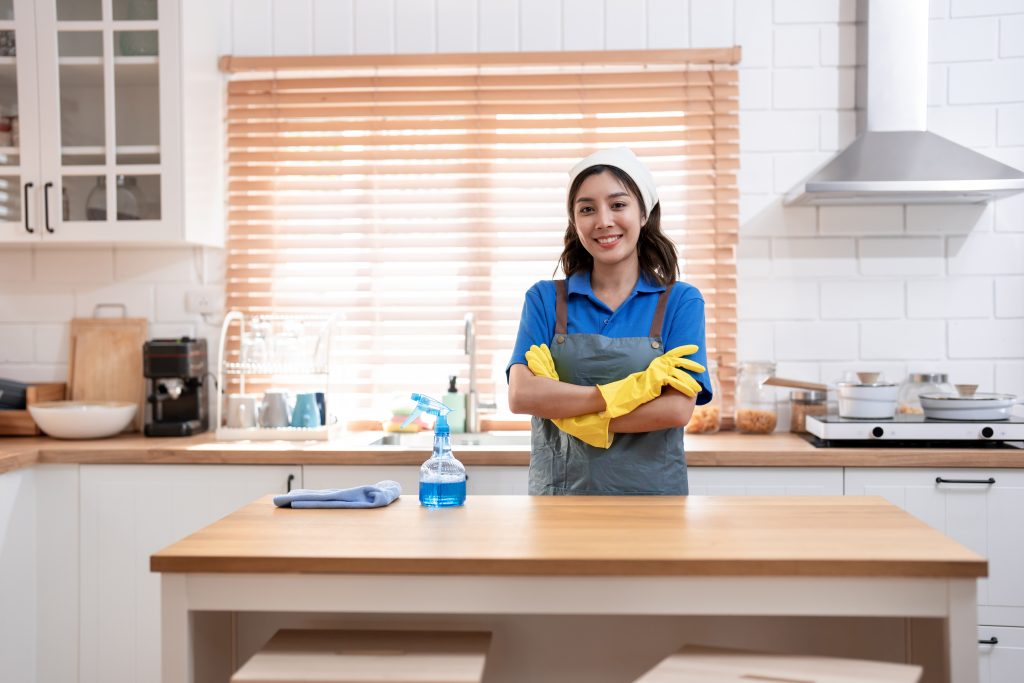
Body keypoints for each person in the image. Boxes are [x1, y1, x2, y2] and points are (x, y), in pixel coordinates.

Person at [506, 147, 712, 496]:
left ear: (644, 213)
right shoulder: (544, 299)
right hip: (559, 500)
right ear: (575, 221)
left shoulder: (679, 302)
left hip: (652, 502)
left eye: (618, 204)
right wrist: (626, 393)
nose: (603, 221)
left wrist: (569, 412)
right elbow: (522, 394)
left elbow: (676, 408)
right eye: (587, 209)